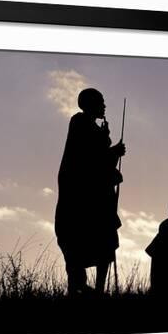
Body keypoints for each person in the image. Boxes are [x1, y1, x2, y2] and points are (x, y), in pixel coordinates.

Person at [55, 88, 126, 296]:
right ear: (90, 104)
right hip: (83, 199)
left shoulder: (92, 128)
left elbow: (99, 162)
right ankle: (79, 287)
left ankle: (98, 290)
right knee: (83, 241)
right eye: (101, 102)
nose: (104, 106)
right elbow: (88, 160)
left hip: (97, 197)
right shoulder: (80, 123)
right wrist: (111, 150)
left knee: (104, 243)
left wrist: (110, 149)